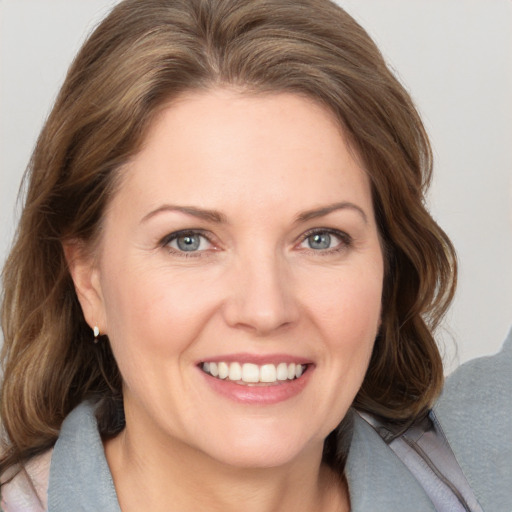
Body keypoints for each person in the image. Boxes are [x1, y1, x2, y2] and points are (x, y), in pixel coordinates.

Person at [0, 0, 509, 510]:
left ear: (387, 266)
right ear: (87, 279)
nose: (265, 310)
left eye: (320, 238)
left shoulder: (481, 475)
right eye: (189, 240)